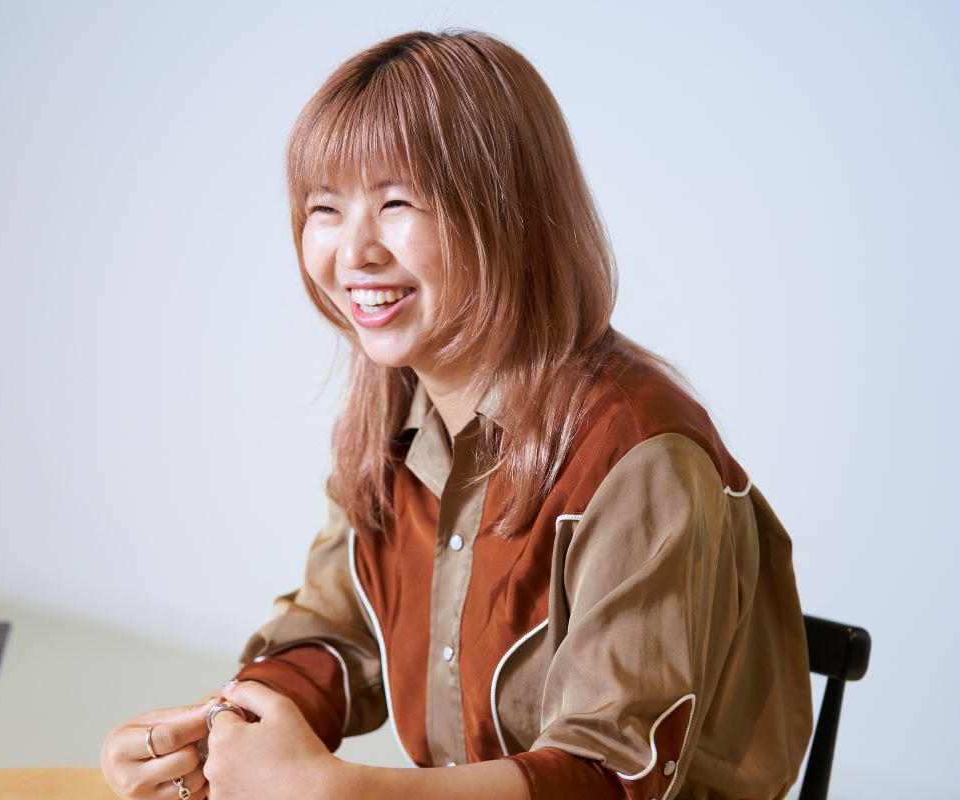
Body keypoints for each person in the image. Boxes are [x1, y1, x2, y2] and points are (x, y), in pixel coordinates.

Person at [100, 29, 812, 800]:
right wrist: (209, 735)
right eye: (324, 207)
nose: (353, 252)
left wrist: (343, 791)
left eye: (397, 203)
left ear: (513, 214)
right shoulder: (394, 415)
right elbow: (338, 633)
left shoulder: (639, 454)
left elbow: (612, 777)